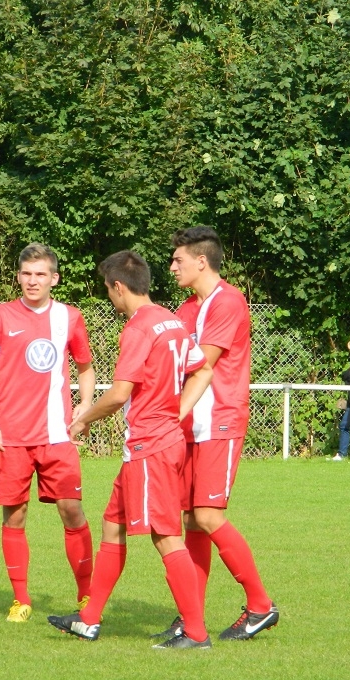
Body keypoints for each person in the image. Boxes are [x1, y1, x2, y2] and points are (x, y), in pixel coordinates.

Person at [48, 250, 216, 649]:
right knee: (113, 524)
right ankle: (89, 619)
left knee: (165, 536)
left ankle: (196, 633)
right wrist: (178, 410)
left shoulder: (139, 328)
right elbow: (204, 369)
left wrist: (84, 418)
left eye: (108, 290)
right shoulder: (172, 321)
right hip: (154, 444)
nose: (109, 297)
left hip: (150, 447)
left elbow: (120, 393)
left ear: (119, 287)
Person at [148, 225, 278, 642]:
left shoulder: (229, 301)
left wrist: (169, 410)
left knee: (207, 515)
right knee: (191, 521)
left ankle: (260, 605)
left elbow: (202, 363)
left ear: (201, 261)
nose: (172, 267)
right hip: (188, 425)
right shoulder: (187, 308)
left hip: (219, 419)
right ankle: (192, 617)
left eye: (178, 260)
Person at [0, 243, 96, 622]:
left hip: (57, 435)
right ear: (18, 277)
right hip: (10, 436)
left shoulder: (70, 317)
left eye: (40, 274)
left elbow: (85, 367)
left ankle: (87, 596)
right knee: (15, 516)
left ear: (54, 279)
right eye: (26, 273)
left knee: (71, 510)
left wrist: (85, 405)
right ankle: (21, 599)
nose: (33, 280)